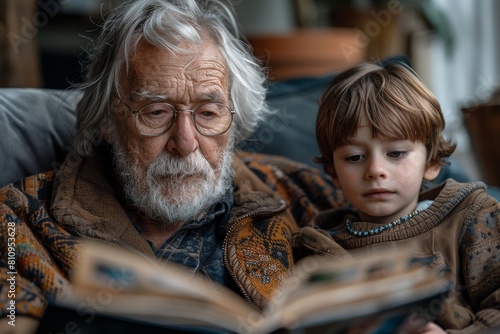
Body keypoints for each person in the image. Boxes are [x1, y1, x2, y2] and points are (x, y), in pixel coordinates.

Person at [0, 0, 344, 332]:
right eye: (156, 112)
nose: (186, 142)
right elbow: (11, 314)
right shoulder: (19, 221)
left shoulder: (304, 193)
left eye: (208, 113)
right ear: (107, 120)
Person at [302, 61, 500, 333]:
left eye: (396, 153)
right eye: (355, 157)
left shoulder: (472, 218)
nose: (375, 171)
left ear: (431, 162)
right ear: (333, 172)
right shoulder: (319, 246)